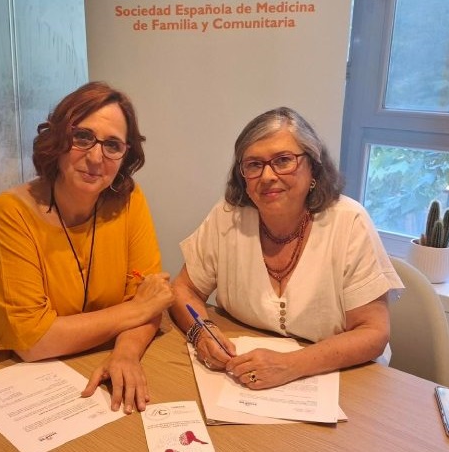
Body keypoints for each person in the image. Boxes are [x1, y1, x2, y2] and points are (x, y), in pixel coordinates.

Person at [0, 82, 174, 413]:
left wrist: (125, 354)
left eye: (112, 145)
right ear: (58, 139)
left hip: (82, 363)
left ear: (126, 154)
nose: (95, 157)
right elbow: (33, 342)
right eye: (82, 137)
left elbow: (151, 298)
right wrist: (136, 310)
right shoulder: (10, 212)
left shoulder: (128, 201)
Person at [169, 107, 403, 390]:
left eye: (283, 160)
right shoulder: (228, 216)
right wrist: (201, 331)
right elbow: (183, 290)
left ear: (313, 167)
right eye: (254, 165)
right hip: (243, 376)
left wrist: (291, 365)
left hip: (343, 380)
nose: (267, 176)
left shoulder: (350, 222)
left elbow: (373, 332)